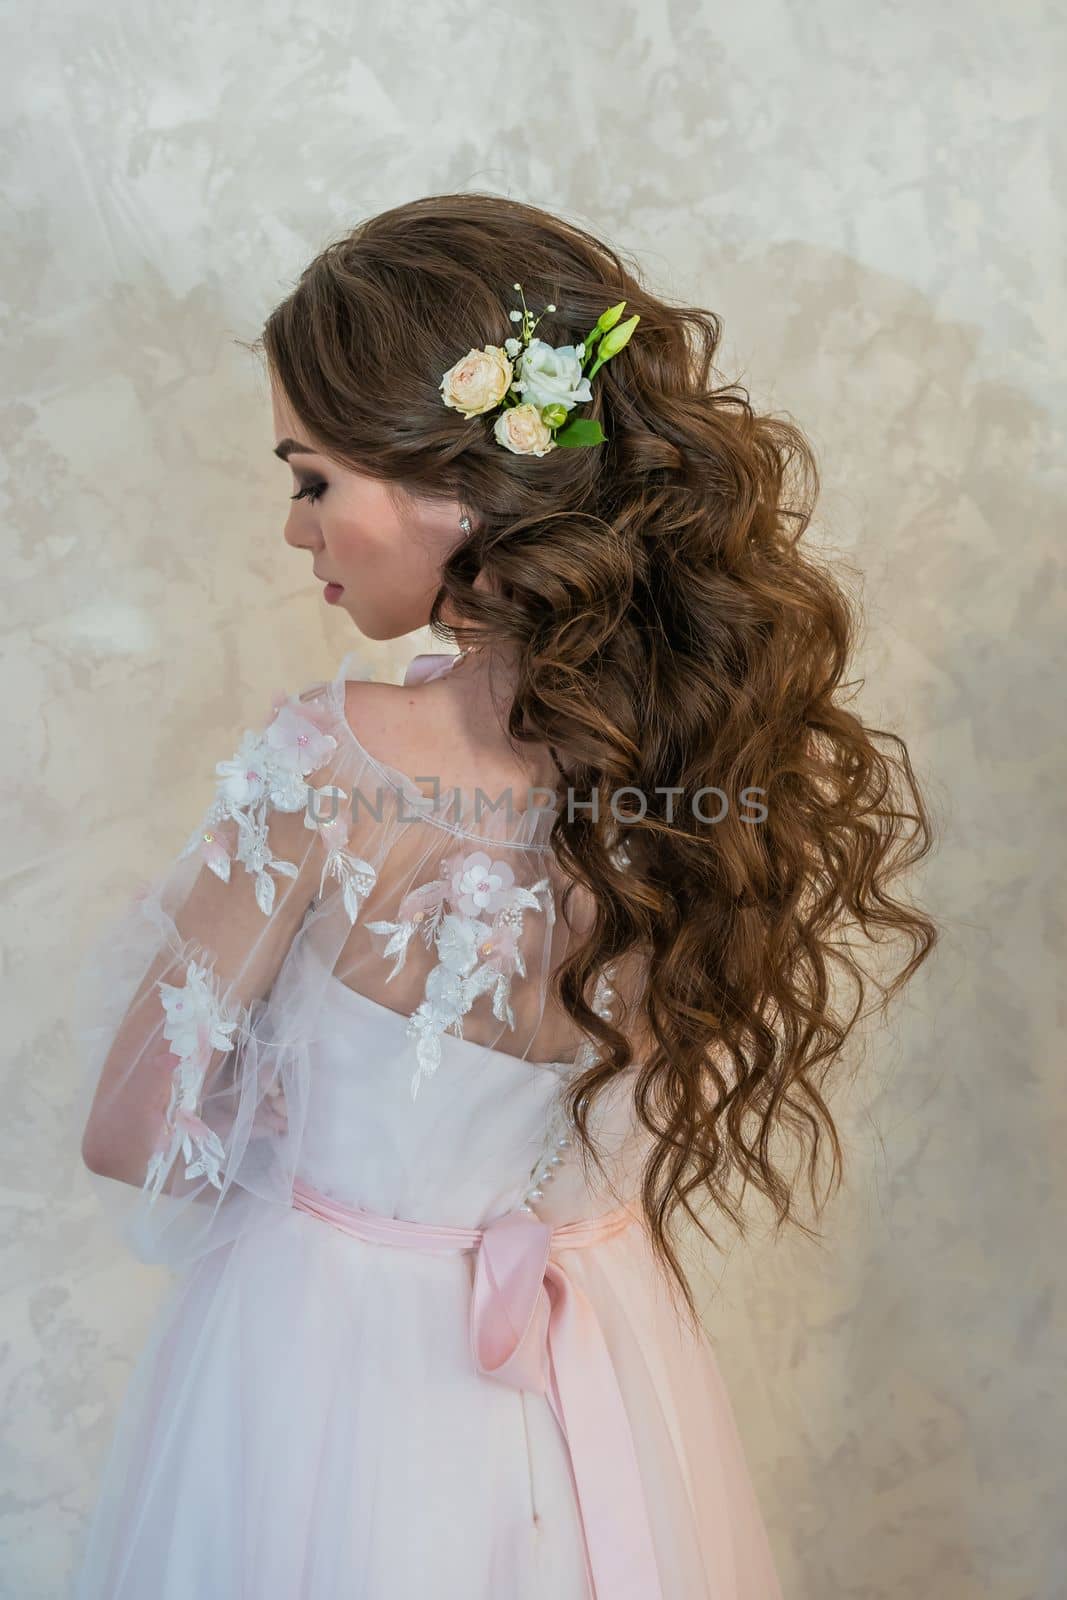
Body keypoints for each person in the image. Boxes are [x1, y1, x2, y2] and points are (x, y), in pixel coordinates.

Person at [69, 193, 938, 1598]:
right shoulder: (701, 773)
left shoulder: (331, 762)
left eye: (311, 479)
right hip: (597, 1352)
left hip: (333, 1373)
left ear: (457, 491)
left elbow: (134, 1131)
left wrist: (295, 1107)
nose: (298, 530)